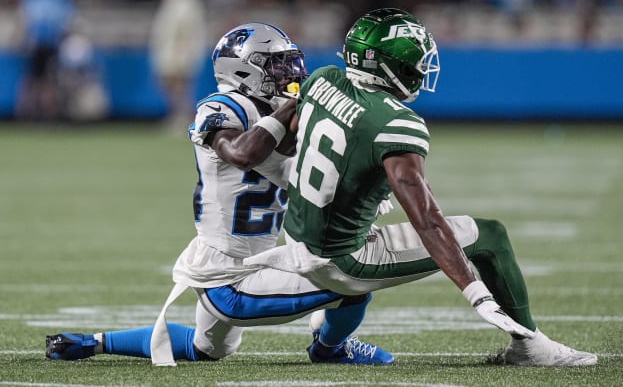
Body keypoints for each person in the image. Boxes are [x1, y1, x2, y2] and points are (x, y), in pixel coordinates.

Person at [243, 8, 598, 367]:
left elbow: (296, 140)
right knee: (490, 236)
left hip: (297, 237)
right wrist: (475, 292)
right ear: (383, 65)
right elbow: (427, 219)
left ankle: (329, 329)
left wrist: (358, 184)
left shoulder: (323, 78)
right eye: (411, 63)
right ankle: (531, 348)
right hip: (342, 260)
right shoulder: (396, 122)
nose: (419, 70)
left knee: (367, 240)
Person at [45, 22, 393, 366]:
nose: (290, 72)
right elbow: (242, 153)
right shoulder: (222, 107)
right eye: (276, 64)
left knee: (206, 349)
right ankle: (330, 348)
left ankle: (91, 343)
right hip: (226, 274)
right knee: (354, 280)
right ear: (242, 69)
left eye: (291, 62)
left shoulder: (285, 114)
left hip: (263, 259)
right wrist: (289, 110)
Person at [149, 0, 207, 130]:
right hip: (169, 54)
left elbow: (188, 32)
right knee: (172, 89)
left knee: (181, 89)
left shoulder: (186, 0)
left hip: (180, 56)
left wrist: (182, 57)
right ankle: (177, 117)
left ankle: (184, 119)